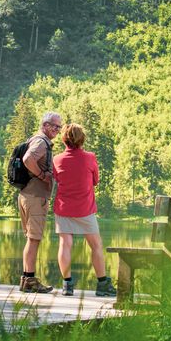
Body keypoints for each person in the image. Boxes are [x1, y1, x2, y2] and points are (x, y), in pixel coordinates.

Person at [52, 122, 116, 297]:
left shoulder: (57, 159)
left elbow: (57, 178)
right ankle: (102, 284)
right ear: (82, 139)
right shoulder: (90, 158)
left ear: (64, 140)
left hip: (63, 208)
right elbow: (95, 180)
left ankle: (67, 285)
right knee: (96, 245)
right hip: (85, 209)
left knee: (65, 244)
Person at [18, 111, 62, 293]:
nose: (57, 130)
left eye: (59, 127)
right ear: (44, 125)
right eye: (54, 126)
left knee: (31, 239)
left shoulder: (34, 140)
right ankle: (29, 281)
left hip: (27, 195)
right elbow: (28, 159)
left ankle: (26, 279)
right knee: (34, 239)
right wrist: (42, 175)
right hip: (35, 197)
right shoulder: (41, 142)